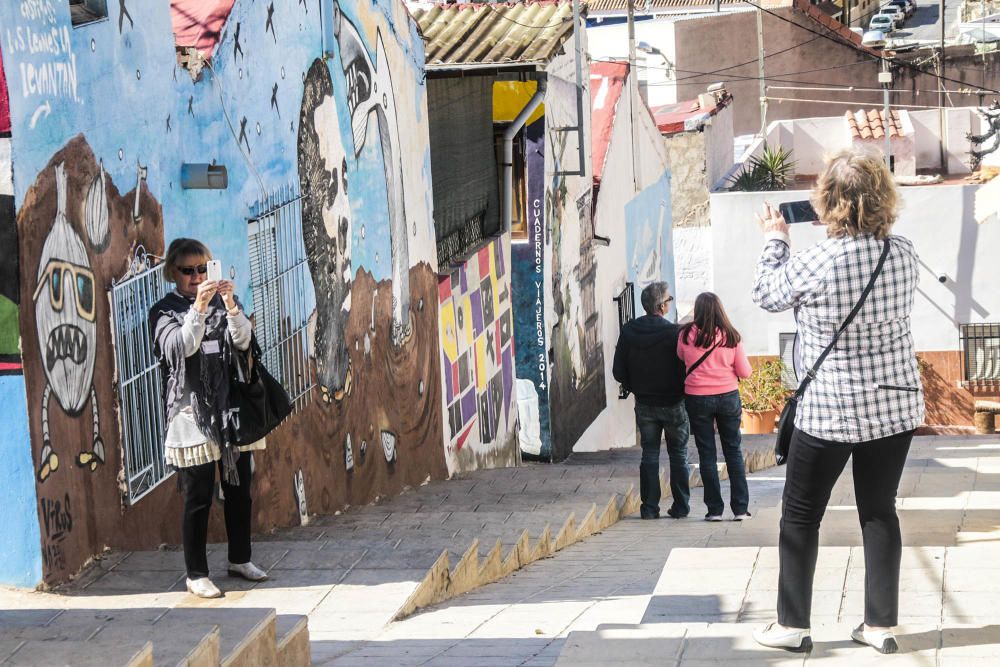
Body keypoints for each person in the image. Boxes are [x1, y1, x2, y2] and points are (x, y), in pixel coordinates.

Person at [750, 147, 924, 654]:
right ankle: (879, 626)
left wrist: (775, 240)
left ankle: (791, 626)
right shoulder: (904, 253)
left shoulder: (816, 262)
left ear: (828, 202)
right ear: (883, 200)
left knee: (801, 515)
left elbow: (766, 293)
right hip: (894, 408)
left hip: (829, 409)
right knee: (879, 511)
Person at [150, 238, 269, 598]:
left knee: (238, 489)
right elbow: (180, 348)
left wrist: (231, 306)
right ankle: (196, 573)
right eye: (188, 270)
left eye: (202, 269)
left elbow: (246, 343)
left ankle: (240, 558)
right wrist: (198, 310)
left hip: (228, 413)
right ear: (173, 272)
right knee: (197, 496)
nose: (196, 276)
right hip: (190, 415)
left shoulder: (222, 303)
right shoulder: (163, 311)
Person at [612, 281, 690, 520]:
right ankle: (680, 507)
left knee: (650, 454)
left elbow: (618, 371)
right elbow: (684, 368)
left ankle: (649, 508)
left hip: (645, 403)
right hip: (674, 403)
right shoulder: (674, 333)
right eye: (668, 300)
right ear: (661, 306)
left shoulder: (629, 331)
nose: (669, 304)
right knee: (678, 454)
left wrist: (636, 387)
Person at [677, 292, 753, 522]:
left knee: (706, 453)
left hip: (697, 397)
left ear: (697, 310)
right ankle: (740, 509)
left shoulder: (685, 335)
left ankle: (714, 510)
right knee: (733, 452)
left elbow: (681, 357)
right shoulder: (731, 336)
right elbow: (745, 372)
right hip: (728, 396)